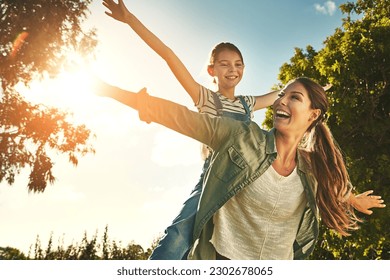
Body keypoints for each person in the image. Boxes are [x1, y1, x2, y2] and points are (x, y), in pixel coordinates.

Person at [94, 76, 386, 260]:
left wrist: (351, 198)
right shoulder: (242, 136)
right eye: (282, 94)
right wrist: (116, 93)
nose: (281, 101)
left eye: (294, 97)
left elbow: (332, 186)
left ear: (313, 114)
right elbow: (180, 117)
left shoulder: (311, 166)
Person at [102, 0, 279, 259]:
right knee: (178, 236)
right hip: (212, 180)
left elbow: (279, 95)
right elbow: (168, 55)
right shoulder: (206, 98)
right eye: (225, 64)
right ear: (212, 70)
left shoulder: (247, 103)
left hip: (245, 183)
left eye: (238, 64)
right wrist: (130, 20)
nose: (233, 69)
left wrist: (311, 89)